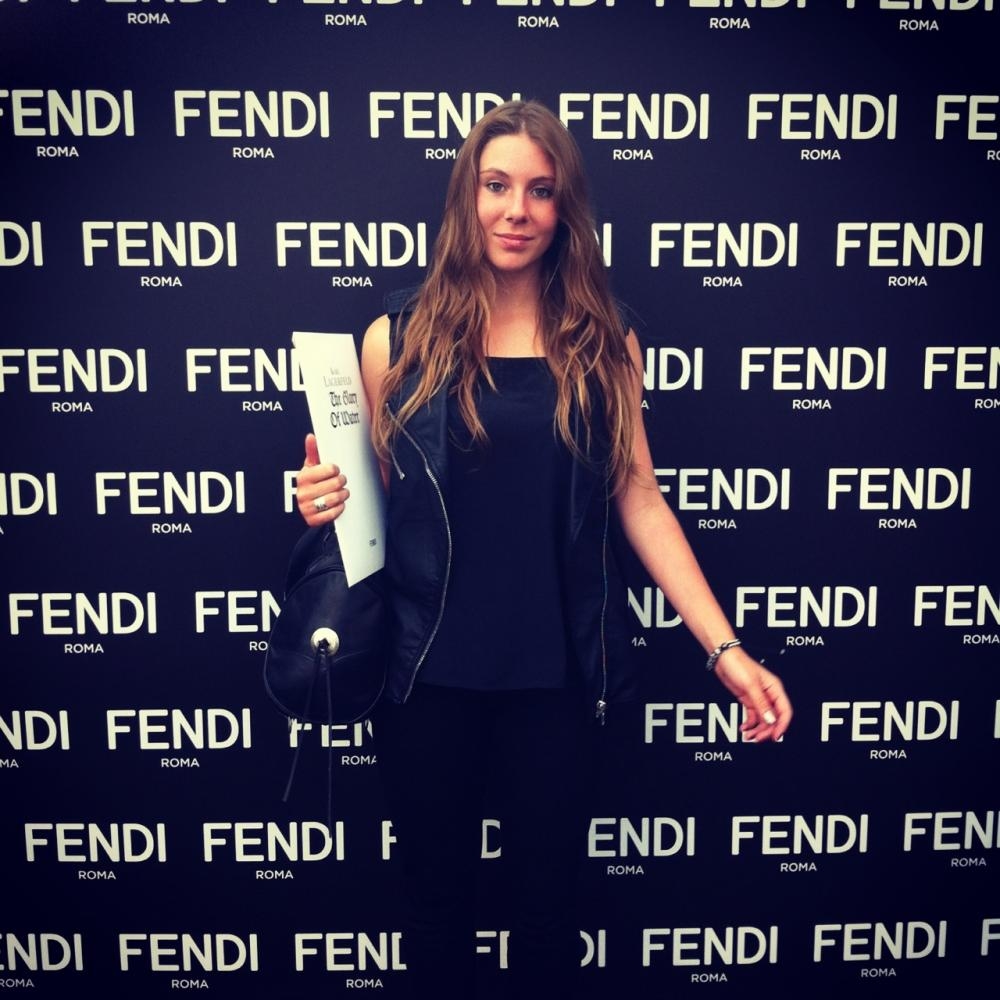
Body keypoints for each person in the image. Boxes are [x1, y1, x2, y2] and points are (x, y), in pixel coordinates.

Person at [295, 100, 792, 999]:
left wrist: (725, 648)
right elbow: (369, 502)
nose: (515, 210)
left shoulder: (603, 339)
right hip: (425, 677)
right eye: (496, 186)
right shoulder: (396, 338)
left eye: (539, 190)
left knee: (548, 920)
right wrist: (322, 499)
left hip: (558, 680)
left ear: (566, 209)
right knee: (435, 915)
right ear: (468, 195)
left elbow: (639, 496)